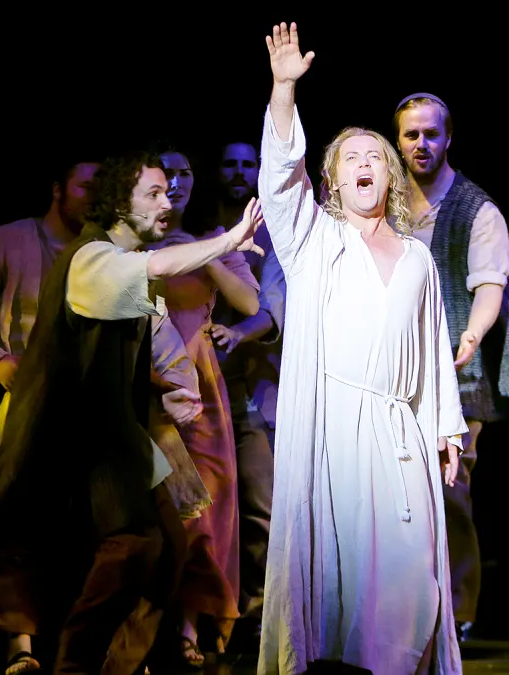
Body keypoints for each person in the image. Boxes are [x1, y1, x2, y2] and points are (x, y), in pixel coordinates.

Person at [0, 149, 263, 675]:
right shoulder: (92, 259)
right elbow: (156, 266)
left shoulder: (124, 265)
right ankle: (75, 663)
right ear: (119, 202)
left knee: (168, 546)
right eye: (153, 195)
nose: (168, 202)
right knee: (132, 544)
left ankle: (104, 661)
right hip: (70, 435)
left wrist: (178, 390)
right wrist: (228, 241)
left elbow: (153, 332)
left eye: (169, 191)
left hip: (115, 435)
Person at [257, 22, 468, 675]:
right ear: (333, 180)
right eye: (351, 158)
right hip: (333, 429)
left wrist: (445, 426)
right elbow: (279, 179)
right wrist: (284, 89)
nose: (366, 165)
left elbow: (433, 350)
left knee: (411, 578)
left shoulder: (416, 259)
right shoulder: (313, 240)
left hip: (398, 426)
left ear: (392, 174)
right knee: (343, 578)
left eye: (375, 156)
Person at [0, 155, 100, 673]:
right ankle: (20, 647)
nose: (93, 199)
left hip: (82, 411)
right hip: (18, 406)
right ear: (58, 189)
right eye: (84, 187)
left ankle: (87, 649)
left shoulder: (100, 253)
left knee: (89, 529)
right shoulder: (8, 241)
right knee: (15, 523)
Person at [393, 93, 509, 639]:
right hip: (398, 363)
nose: (421, 144)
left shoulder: (477, 209)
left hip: (460, 367)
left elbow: (489, 285)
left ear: (448, 138)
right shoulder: (385, 202)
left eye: (431, 134)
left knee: (449, 481)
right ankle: (407, 603)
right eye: (411, 135)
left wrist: (472, 333)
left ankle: (458, 607)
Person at [152, 145, 264, 667]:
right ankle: (145, 631)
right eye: (165, 172)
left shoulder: (210, 240)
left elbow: (249, 304)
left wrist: (205, 252)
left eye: (184, 172)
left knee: (206, 512)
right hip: (146, 386)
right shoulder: (130, 242)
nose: (175, 182)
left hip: (203, 389)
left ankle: (193, 628)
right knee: (155, 513)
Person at [204, 140, 287, 646]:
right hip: (198, 385)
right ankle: (207, 617)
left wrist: (238, 333)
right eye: (228, 163)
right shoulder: (198, 232)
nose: (237, 172)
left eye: (246, 164)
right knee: (210, 506)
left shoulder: (273, 233)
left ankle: (256, 614)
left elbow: (272, 306)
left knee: (261, 503)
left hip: (258, 386)